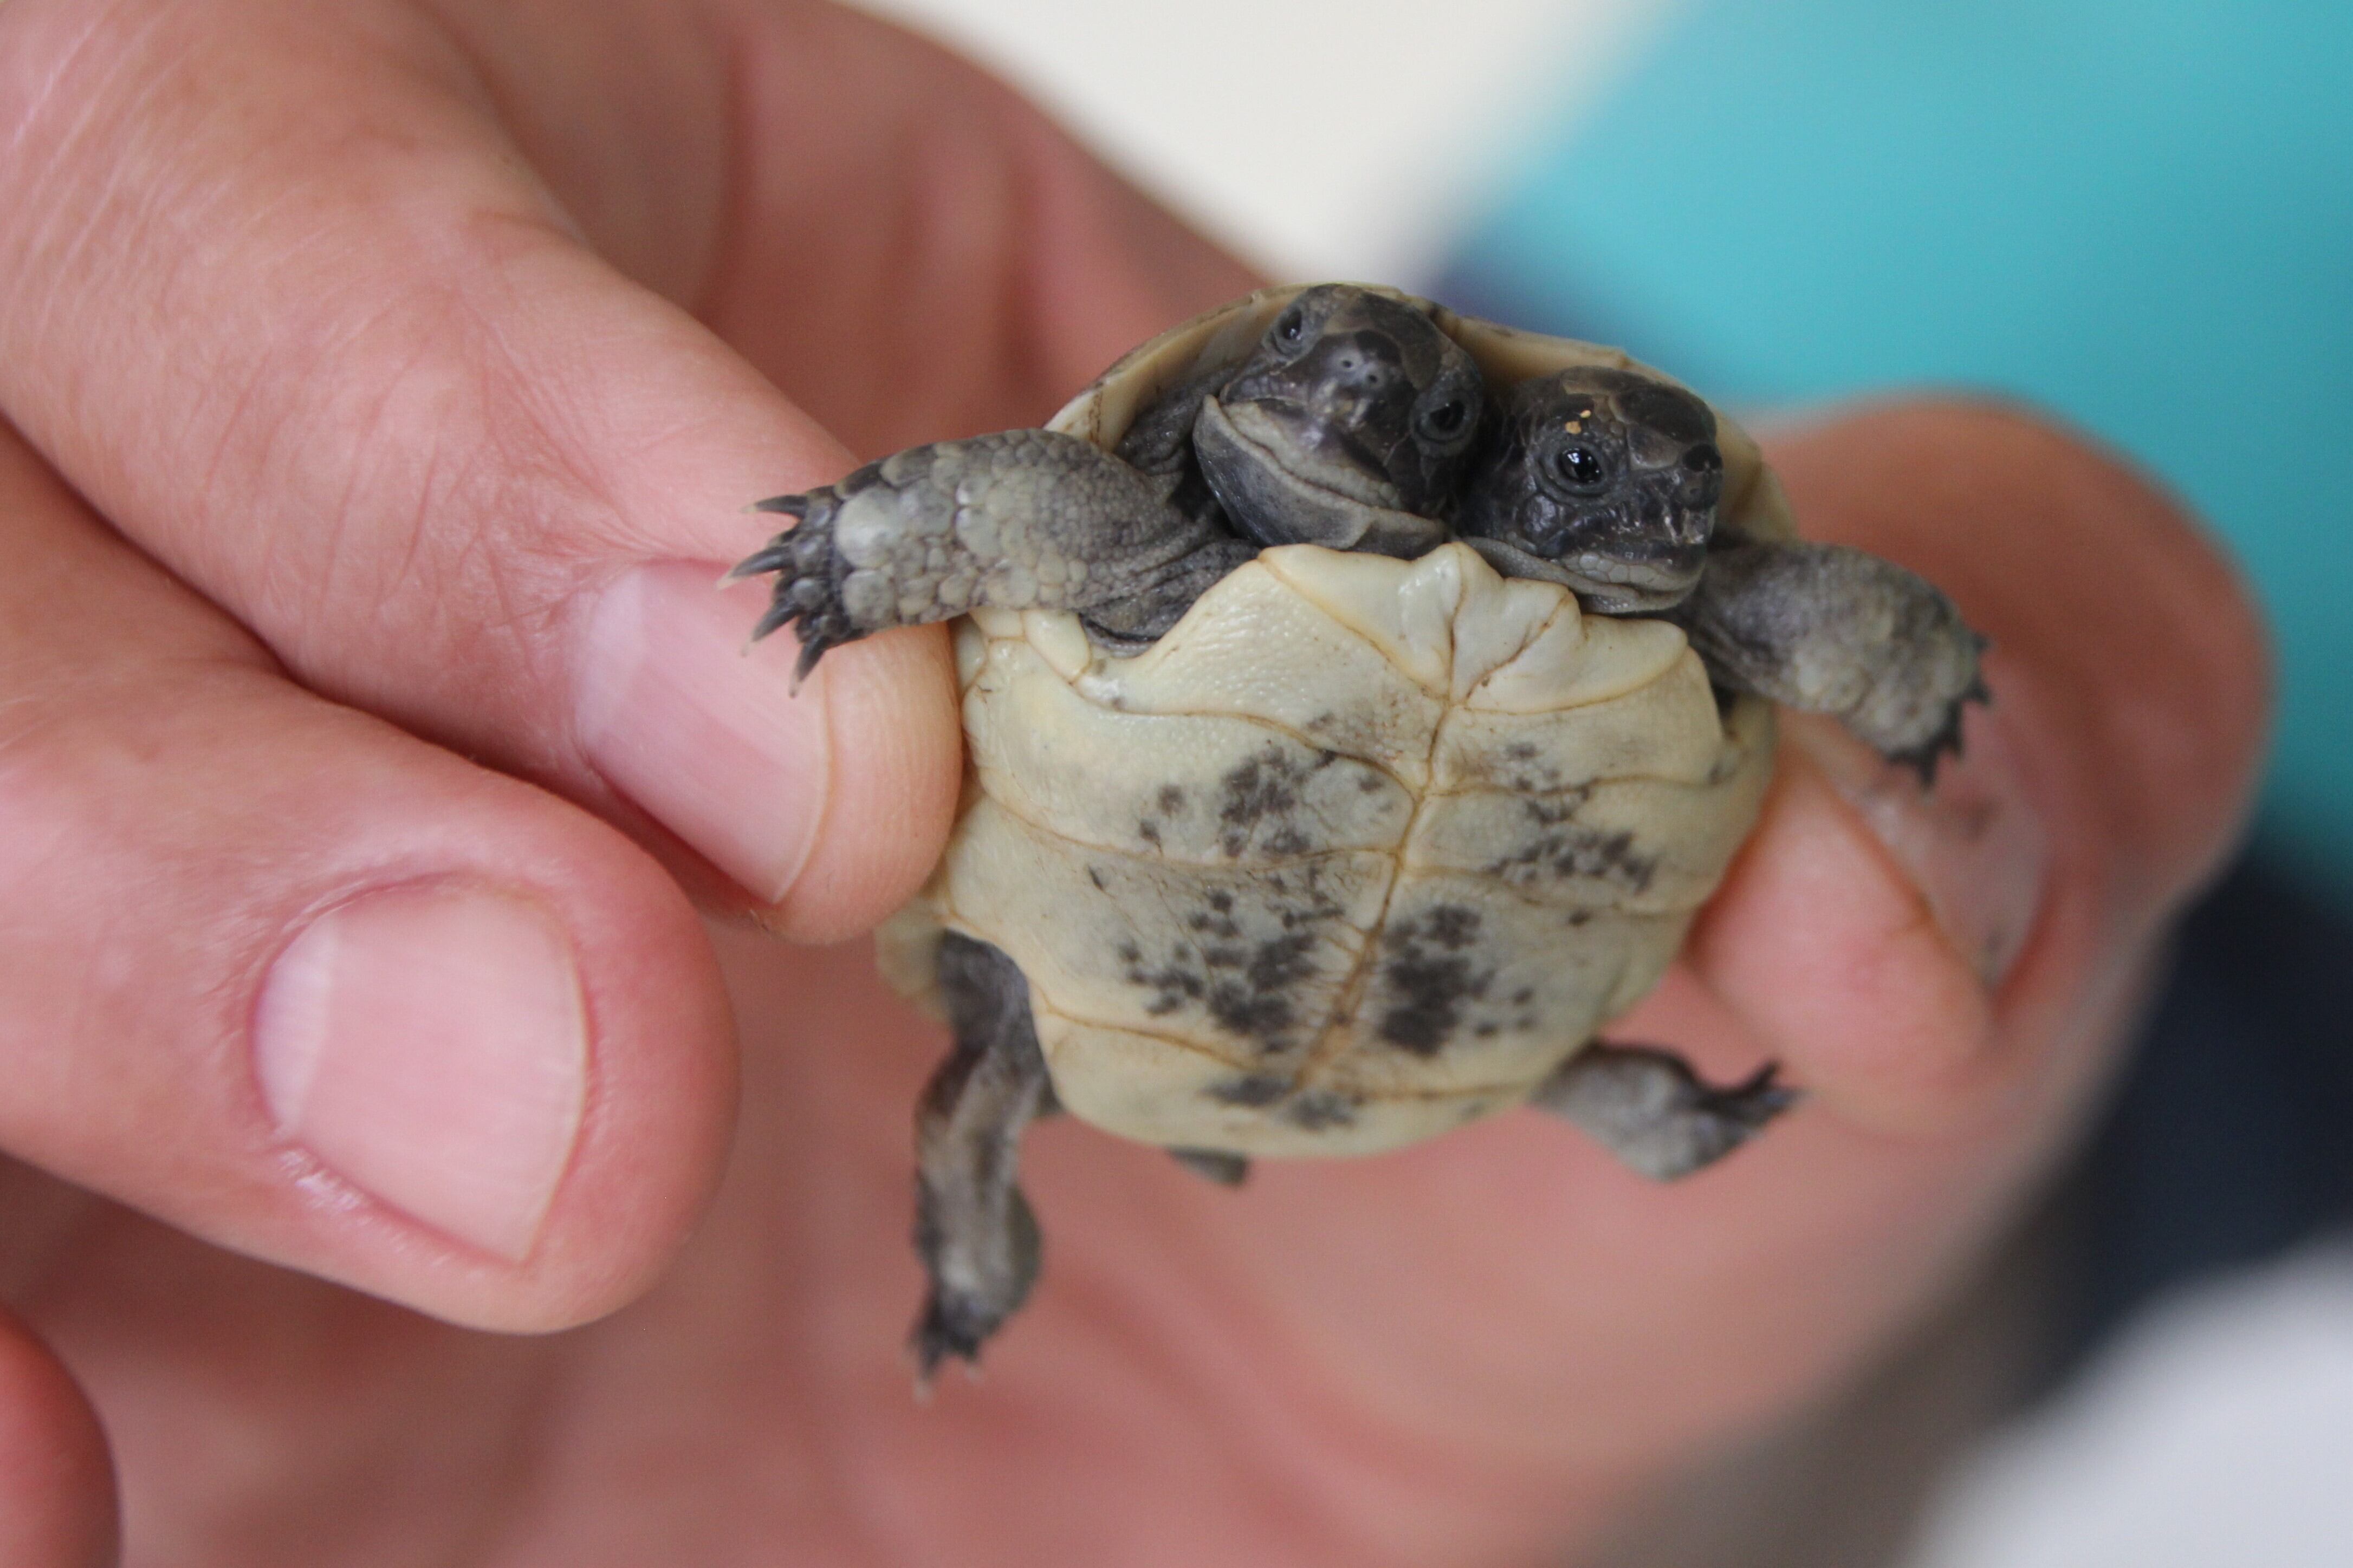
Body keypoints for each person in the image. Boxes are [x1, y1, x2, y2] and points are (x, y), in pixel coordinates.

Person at [0, 2, 2266, 1563]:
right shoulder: (1157, 531)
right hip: (1319, 928)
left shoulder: (1686, 583)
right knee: (1001, 1060)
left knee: (1095, 1043)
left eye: (1623, 481)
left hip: (1683, 976)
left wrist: (1928, 685)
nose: (1372, 414)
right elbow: (1021, 510)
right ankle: (1080, 1242)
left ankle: (1628, 1107)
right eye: (1347, 389)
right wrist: (847, 549)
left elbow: (1850, 628)